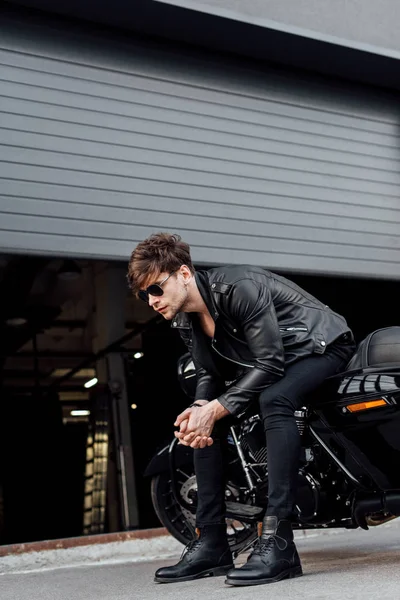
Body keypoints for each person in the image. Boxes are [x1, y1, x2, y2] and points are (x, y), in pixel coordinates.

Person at [127, 232, 355, 587]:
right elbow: (207, 372)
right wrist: (201, 409)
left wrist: (214, 408)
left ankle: (279, 543)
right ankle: (211, 542)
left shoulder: (238, 286)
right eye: (144, 295)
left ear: (184, 274)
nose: (151, 301)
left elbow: (269, 362)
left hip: (319, 346)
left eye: (156, 288)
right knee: (205, 424)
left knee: (274, 400)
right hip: (276, 363)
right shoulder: (184, 317)